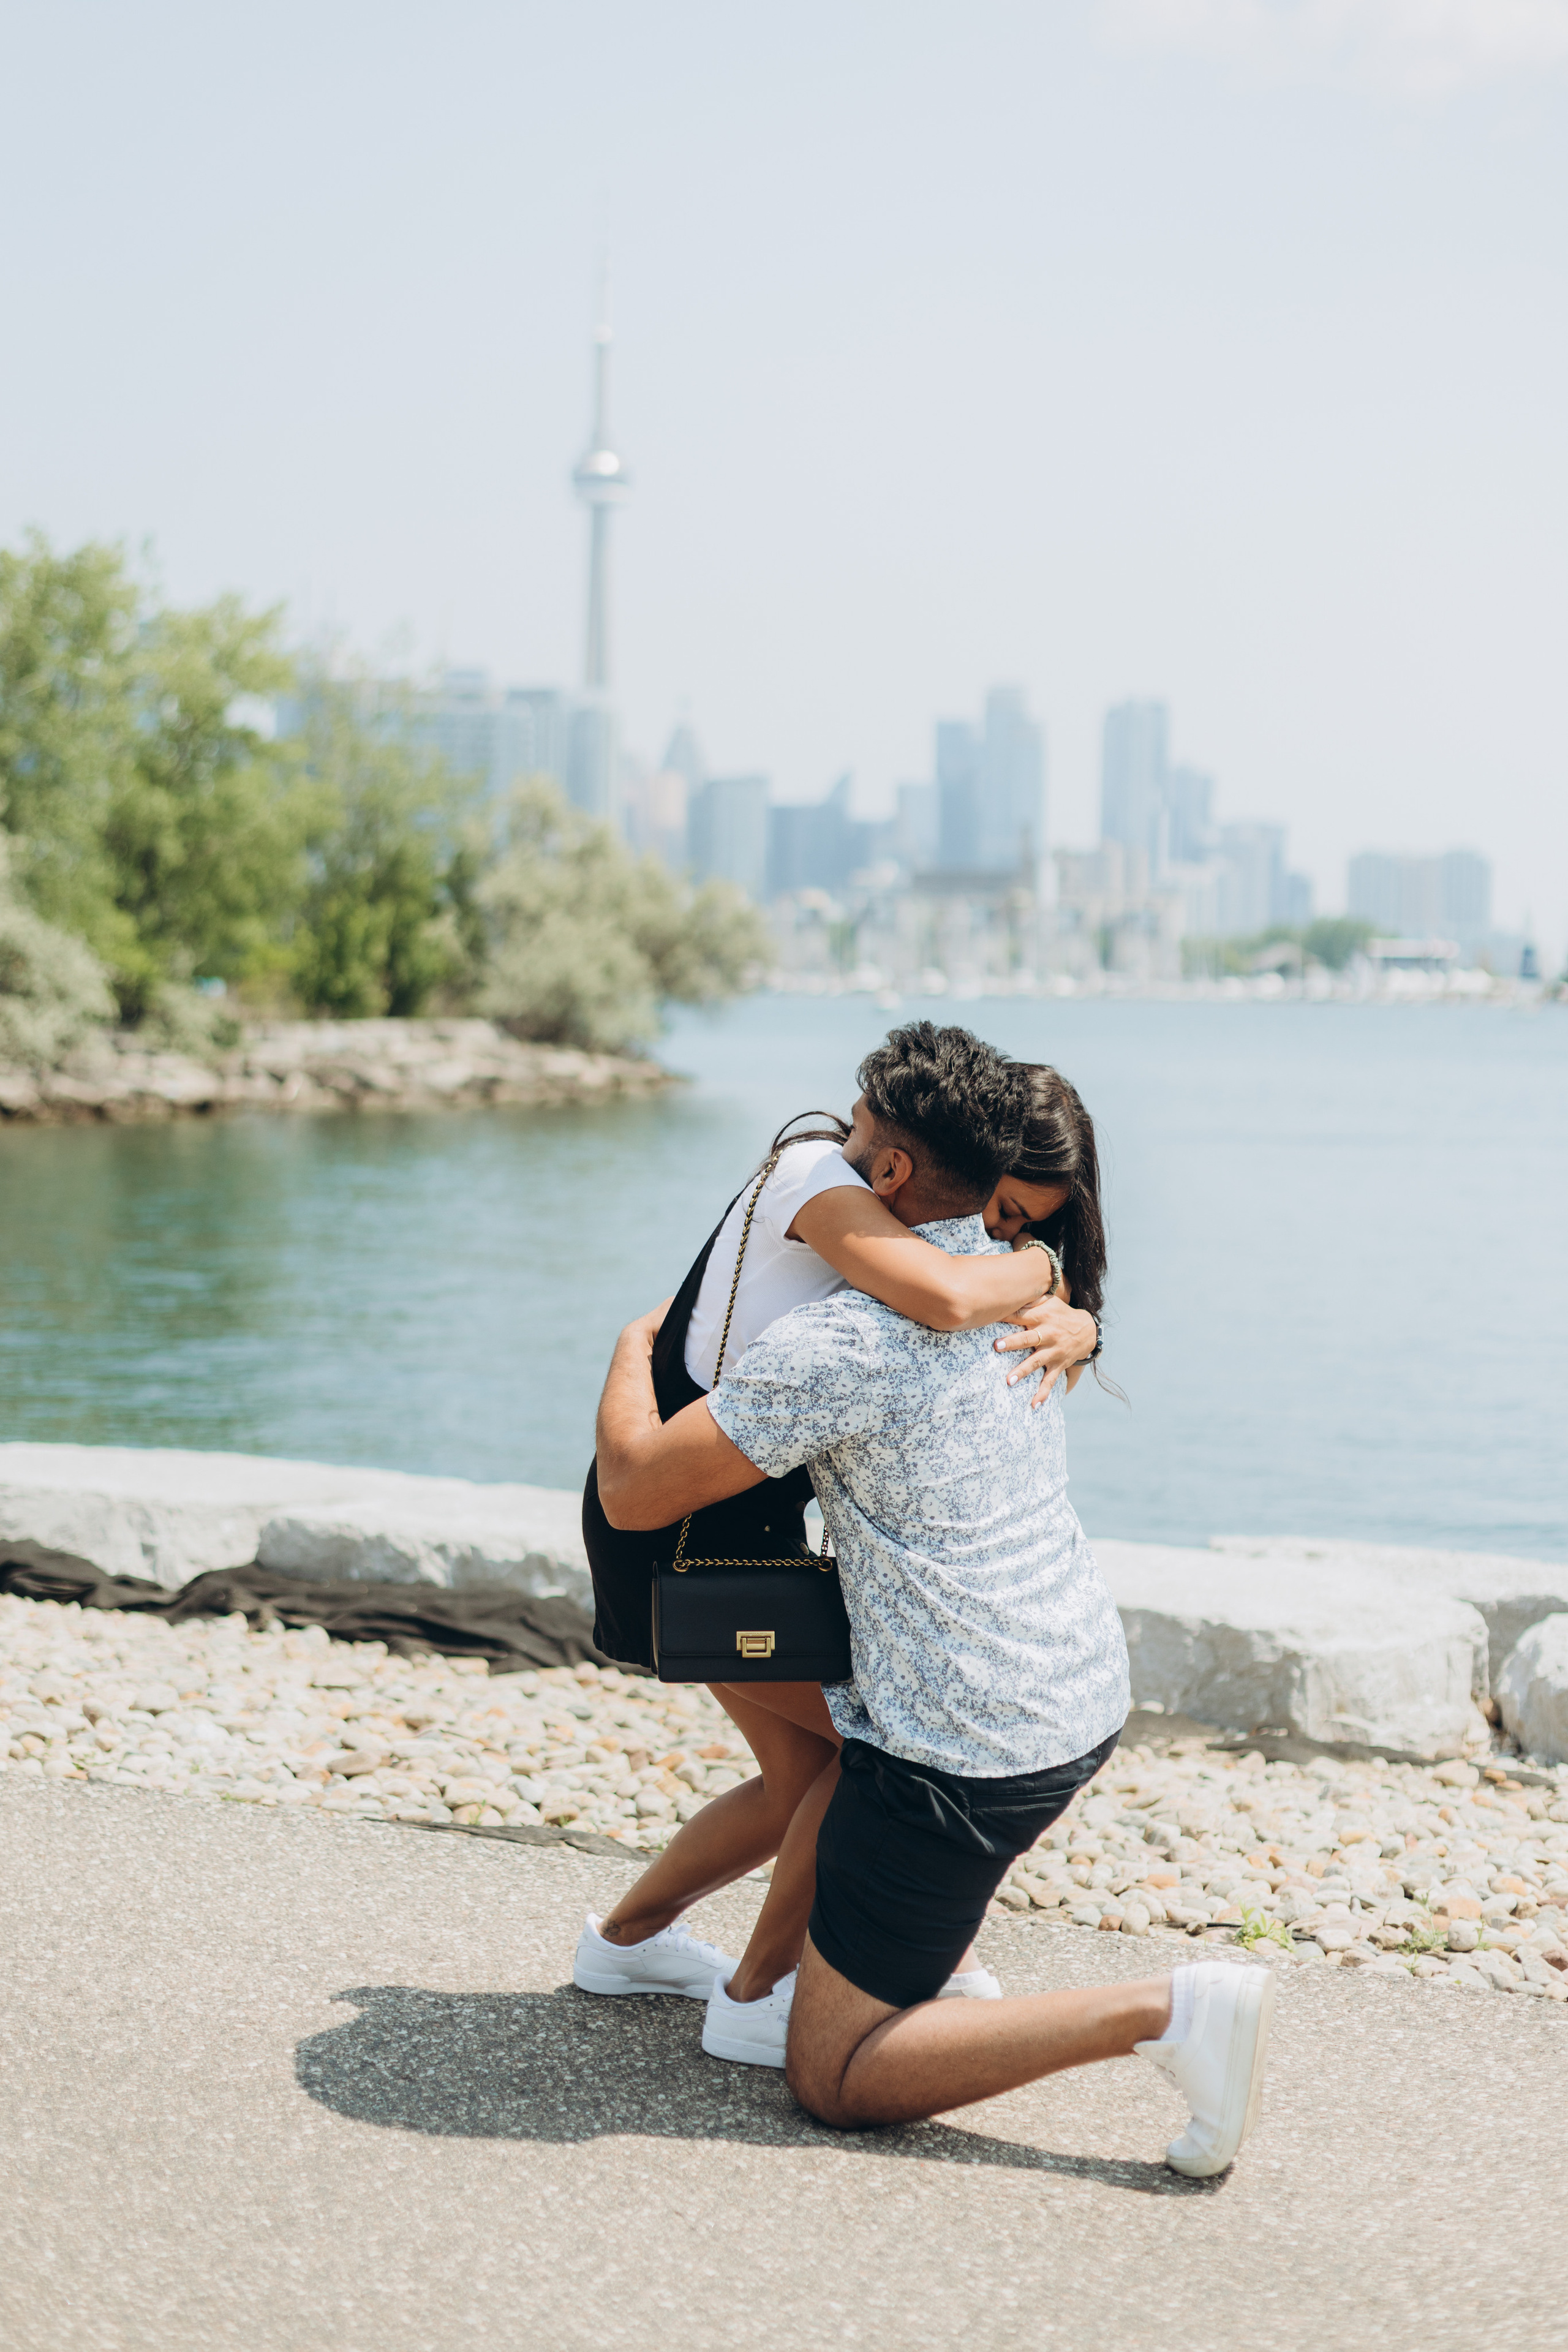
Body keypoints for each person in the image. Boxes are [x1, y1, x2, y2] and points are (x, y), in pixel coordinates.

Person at [594, 1022, 1273, 2177]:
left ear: (895, 1168)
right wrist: (1056, 1276)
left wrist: (627, 1349)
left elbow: (636, 1491)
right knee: (814, 1782)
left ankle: (1171, 2013)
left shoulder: (850, 1337)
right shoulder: (1014, 1290)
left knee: (837, 2074)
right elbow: (990, 1275)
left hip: (961, 1742)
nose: (842, 1139)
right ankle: (716, 1955)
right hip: (1076, 1689)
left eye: (863, 1130)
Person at [575, 1031, 1099, 2036]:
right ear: (910, 1168)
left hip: (741, 1508)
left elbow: (971, 1286)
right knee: (861, 1756)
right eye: (991, 1209)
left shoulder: (899, 1198)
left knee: (803, 1780)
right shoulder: (814, 1172)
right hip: (685, 1513)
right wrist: (1037, 1268)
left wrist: (1078, 1319)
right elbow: (950, 1298)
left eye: (1017, 1223)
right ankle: (763, 1995)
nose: (983, 1231)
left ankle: (625, 1946)